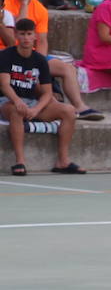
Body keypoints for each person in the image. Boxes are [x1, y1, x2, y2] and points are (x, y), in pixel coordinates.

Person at [0, 17, 82, 175]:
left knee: (69, 111)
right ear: (16, 35)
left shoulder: (40, 60)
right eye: (22, 34)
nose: (25, 38)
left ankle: (63, 161)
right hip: (7, 101)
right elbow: (4, 85)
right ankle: (20, 161)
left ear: (35, 36)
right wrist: (17, 101)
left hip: (32, 103)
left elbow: (47, 92)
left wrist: (37, 109)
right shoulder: (6, 56)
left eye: (29, 34)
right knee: (17, 111)